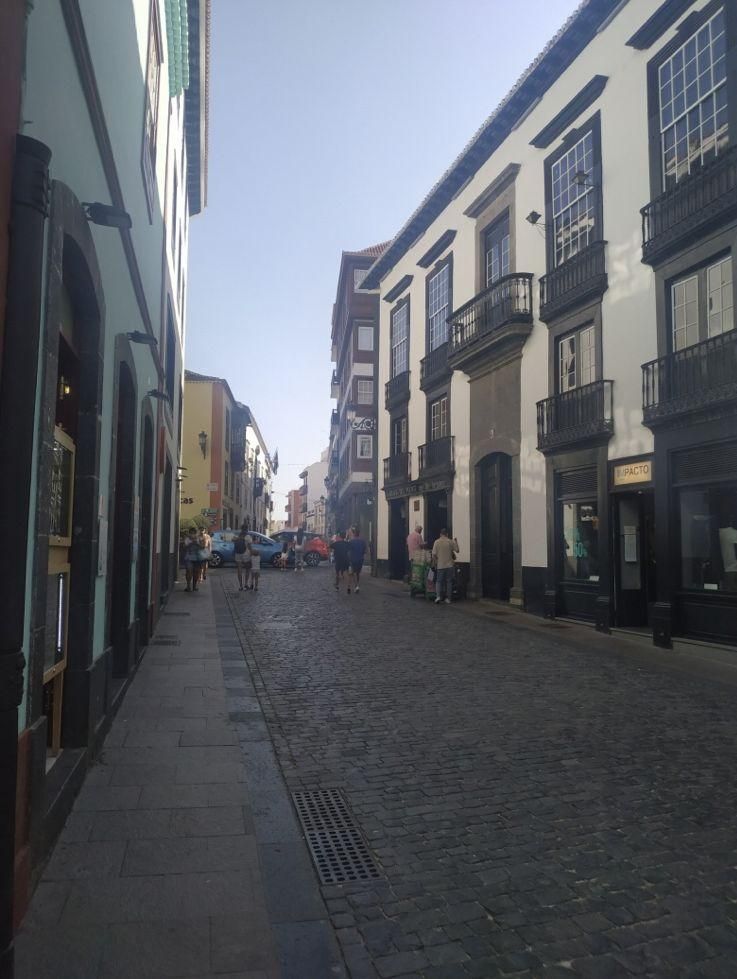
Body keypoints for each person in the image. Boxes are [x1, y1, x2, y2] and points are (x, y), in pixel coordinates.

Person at [431, 528, 459, 605]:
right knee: (449, 582)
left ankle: (438, 597)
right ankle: (448, 598)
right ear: (447, 534)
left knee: (439, 581)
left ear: (440, 534)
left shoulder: (436, 542)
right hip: (450, 565)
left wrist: (434, 563)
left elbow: (434, 555)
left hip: (440, 565)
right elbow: (457, 550)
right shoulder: (450, 541)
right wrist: (456, 542)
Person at [346, 526, 367, 594]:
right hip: (360, 559)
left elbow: (348, 551)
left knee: (353, 573)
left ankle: (356, 586)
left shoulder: (351, 541)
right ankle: (350, 586)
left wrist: (348, 558)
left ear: (354, 534)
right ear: (359, 534)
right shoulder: (363, 541)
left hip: (353, 559)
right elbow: (365, 551)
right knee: (357, 573)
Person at [183, 528, 202, 592]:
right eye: (191, 533)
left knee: (196, 572)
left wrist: (197, 543)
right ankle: (188, 586)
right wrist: (190, 544)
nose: (192, 534)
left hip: (197, 558)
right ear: (189, 533)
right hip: (188, 557)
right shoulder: (187, 539)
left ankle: (194, 586)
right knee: (189, 571)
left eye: (194, 533)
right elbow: (184, 548)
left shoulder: (198, 539)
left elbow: (202, 547)